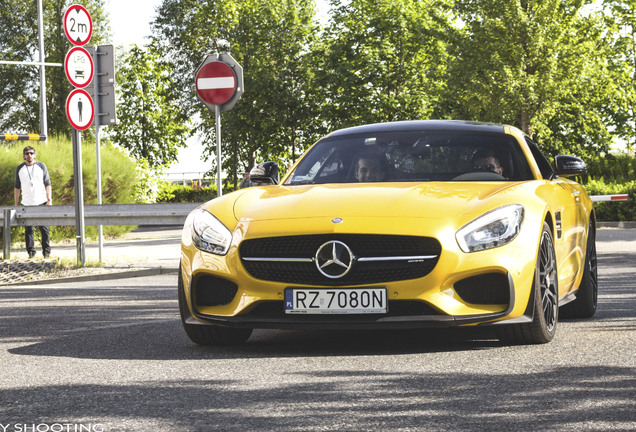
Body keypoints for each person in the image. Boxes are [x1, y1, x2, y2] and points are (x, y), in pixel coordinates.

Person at [14, 145, 52, 258]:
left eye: (31, 153)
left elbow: (47, 183)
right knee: (28, 230)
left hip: (41, 202)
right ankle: (31, 253)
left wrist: (49, 199)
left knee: (44, 228)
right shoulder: (19, 168)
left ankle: (46, 253)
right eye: (26, 153)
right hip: (26, 203)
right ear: (23, 155)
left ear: (35, 154)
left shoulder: (41, 166)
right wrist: (16, 204)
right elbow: (17, 187)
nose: (29, 155)